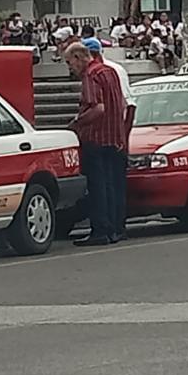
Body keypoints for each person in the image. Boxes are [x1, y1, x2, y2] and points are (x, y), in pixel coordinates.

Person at [65, 41, 128, 247]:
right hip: (114, 136)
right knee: (112, 185)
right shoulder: (110, 72)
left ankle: (100, 229)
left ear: (78, 57)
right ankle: (115, 228)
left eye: (69, 62)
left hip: (96, 137)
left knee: (98, 186)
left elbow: (97, 108)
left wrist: (77, 122)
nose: (70, 67)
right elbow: (121, 105)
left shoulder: (91, 75)